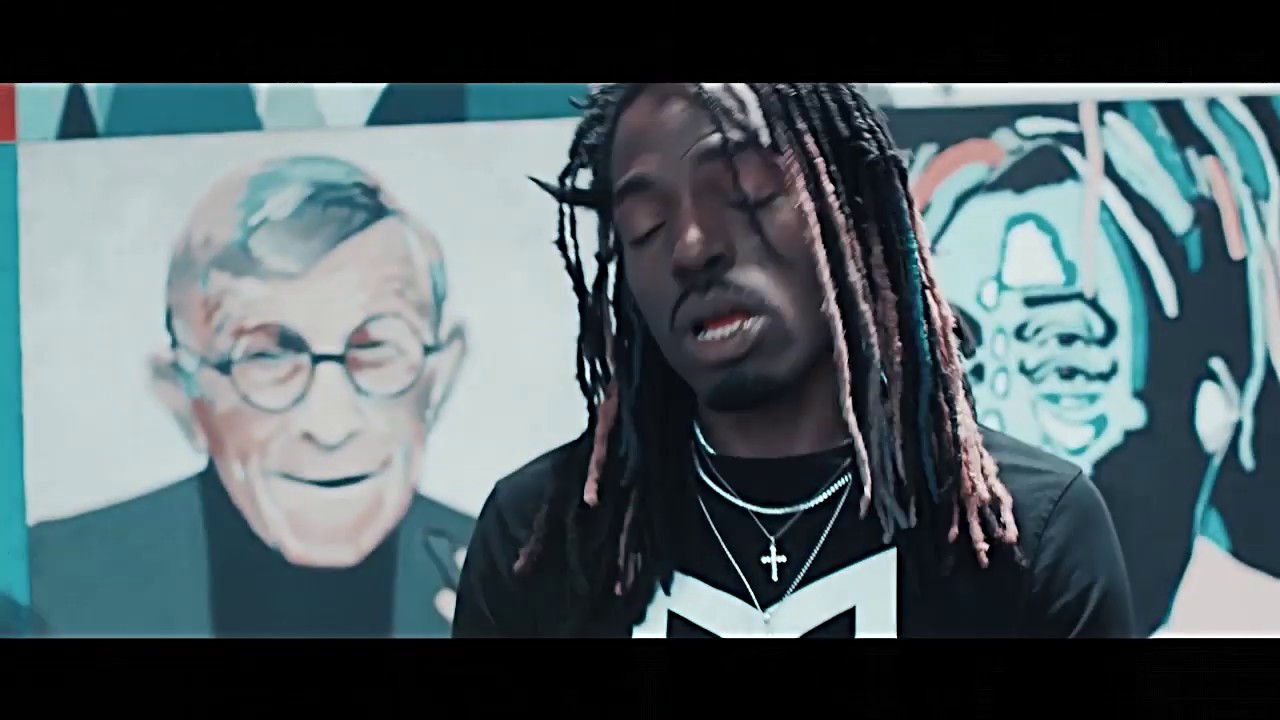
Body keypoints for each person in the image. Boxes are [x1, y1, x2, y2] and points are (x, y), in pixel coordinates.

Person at [453, 83, 1135, 638]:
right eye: (646, 227)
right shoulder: (540, 539)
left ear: (854, 209)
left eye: (745, 193)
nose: (691, 247)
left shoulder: (1027, 535)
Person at [28, 155, 473, 637]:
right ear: (183, 397)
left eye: (376, 350)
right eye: (267, 358)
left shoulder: (516, 579)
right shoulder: (49, 588)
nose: (330, 426)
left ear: (440, 377)